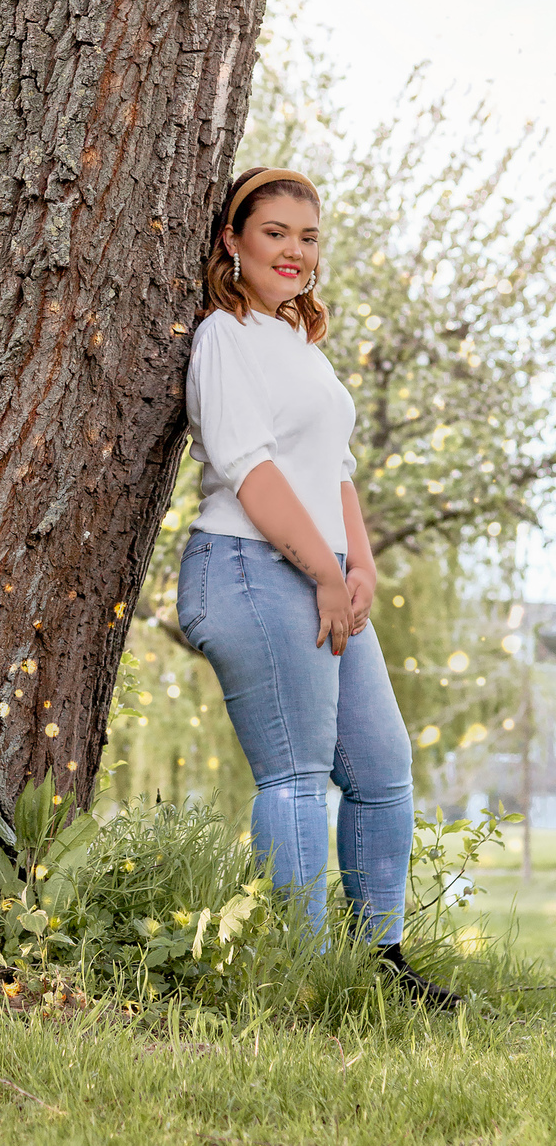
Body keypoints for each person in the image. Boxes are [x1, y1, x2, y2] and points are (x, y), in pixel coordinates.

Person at [176, 166, 459, 1008]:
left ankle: (379, 963)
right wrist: (322, 573)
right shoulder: (223, 337)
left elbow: (333, 472)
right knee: (296, 777)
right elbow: (252, 470)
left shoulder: (300, 345)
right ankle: (301, 977)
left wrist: (358, 565)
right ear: (233, 240)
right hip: (250, 568)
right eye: (275, 233)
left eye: (308, 237)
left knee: (381, 769)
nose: (294, 252)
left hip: (324, 573)